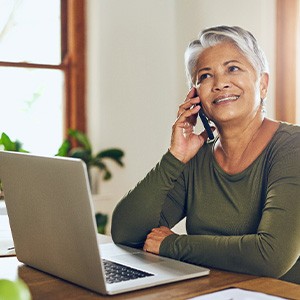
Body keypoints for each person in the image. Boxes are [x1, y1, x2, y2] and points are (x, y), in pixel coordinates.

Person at [111, 25, 300, 284]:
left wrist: (173, 245)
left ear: (263, 84)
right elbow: (126, 233)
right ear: (195, 96)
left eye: (233, 68)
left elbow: (272, 255)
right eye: (205, 76)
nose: (220, 83)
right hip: (212, 292)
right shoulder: (197, 157)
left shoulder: (293, 147)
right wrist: (175, 157)